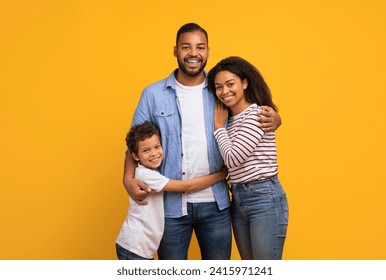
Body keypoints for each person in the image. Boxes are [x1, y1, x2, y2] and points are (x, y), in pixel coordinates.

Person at [123, 23, 281, 260]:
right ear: (175, 51)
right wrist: (127, 178)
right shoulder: (153, 94)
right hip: (171, 207)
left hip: (217, 204)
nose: (193, 53)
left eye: (200, 47)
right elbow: (134, 143)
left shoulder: (220, 90)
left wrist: (276, 118)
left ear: (208, 51)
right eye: (186, 47)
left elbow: (250, 113)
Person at [207, 56, 289, 260]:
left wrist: (218, 127)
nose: (224, 91)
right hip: (238, 198)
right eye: (218, 87)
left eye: (230, 84)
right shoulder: (230, 120)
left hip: (264, 197)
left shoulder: (257, 115)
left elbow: (234, 159)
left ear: (244, 83)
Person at [116, 121, 228, 260]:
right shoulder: (146, 175)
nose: (154, 154)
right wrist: (220, 175)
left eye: (157, 147)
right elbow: (187, 187)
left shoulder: (152, 172)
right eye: (146, 150)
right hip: (134, 246)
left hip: (140, 247)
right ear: (135, 156)